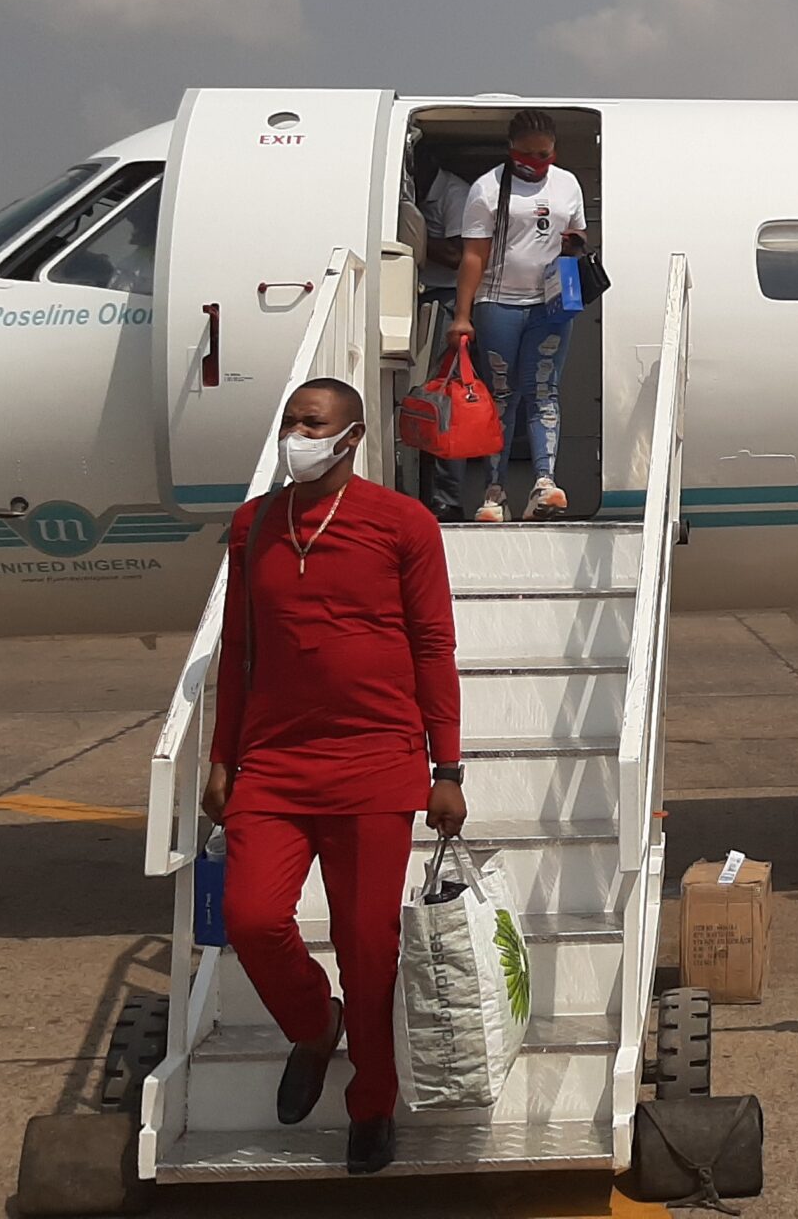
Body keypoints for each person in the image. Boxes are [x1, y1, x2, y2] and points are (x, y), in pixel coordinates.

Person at [202, 378, 467, 1177]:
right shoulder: (254, 526)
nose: (295, 435)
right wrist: (223, 754)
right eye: (288, 421)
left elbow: (433, 644)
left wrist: (445, 765)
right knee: (251, 919)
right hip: (277, 763)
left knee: (366, 943)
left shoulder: (403, 524)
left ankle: (372, 1104)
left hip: (378, 761)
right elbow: (239, 651)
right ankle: (317, 1027)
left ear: (350, 438)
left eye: (310, 424)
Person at [451, 108, 588, 523]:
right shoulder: (487, 188)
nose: (535, 164)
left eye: (543, 155)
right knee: (502, 396)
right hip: (499, 304)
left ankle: (545, 482)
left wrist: (575, 244)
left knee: (544, 390)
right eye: (525, 156)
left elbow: (580, 233)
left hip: (550, 304)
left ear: (555, 150)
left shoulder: (567, 183)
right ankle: (494, 491)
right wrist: (462, 315)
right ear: (511, 151)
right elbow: (473, 256)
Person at [404, 145, 484, 522]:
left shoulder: (456, 194)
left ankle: (446, 499)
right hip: (422, 297)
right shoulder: (423, 194)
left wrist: (413, 239)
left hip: (451, 302)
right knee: (422, 400)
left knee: (446, 400)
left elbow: (459, 255)